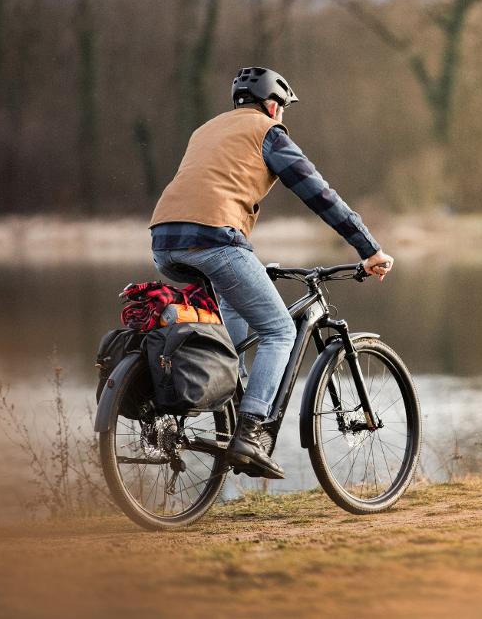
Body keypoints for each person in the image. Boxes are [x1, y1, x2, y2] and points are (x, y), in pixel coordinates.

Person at [149, 66, 393, 479]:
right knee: (281, 330)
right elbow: (318, 193)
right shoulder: (268, 132)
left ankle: (228, 397)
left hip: (163, 241)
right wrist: (368, 248)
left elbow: (207, 188)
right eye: (282, 109)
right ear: (273, 105)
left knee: (233, 305)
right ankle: (253, 431)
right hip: (215, 240)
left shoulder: (205, 130)